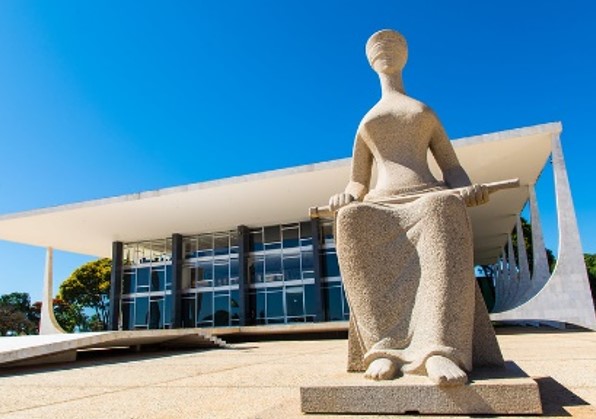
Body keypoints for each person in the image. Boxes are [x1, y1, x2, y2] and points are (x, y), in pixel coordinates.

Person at [329, 29, 502, 385]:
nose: (386, 52)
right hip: (381, 202)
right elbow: (358, 181)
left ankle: (438, 349)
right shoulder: (367, 121)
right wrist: (345, 197)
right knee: (350, 219)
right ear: (369, 62)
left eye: (394, 46)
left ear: (405, 56)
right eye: (378, 49)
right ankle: (383, 348)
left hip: (427, 196)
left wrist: (466, 189)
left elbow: (451, 167)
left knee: (443, 207)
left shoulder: (423, 111)